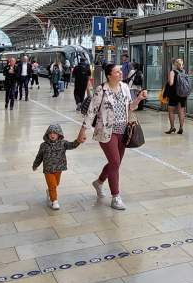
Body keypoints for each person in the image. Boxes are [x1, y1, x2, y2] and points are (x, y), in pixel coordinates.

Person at [78, 63, 145, 210]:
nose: (120, 73)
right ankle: (116, 197)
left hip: (123, 130)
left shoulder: (125, 87)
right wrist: (82, 131)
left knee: (115, 163)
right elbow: (91, 111)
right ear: (109, 75)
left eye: (120, 71)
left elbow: (130, 107)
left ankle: (99, 182)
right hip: (106, 131)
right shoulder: (101, 89)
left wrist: (139, 98)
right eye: (117, 72)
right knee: (115, 161)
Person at [32, 123, 82, 210]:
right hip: (48, 169)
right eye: (50, 133)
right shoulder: (43, 145)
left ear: (59, 134)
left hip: (59, 168)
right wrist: (35, 165)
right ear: (47, 134)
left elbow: (72, 145)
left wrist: (78, 141)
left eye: (55, 133)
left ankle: (49, 191)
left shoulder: (63, 143)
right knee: (52, 185)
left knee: (56, 183)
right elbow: (39, 156)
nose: (52, 135)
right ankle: (54, 201)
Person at [164, 57, 188, 135]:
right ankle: (181, 127)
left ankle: (172, 127)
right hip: (183, 94)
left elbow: (171, 83)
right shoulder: (184, 72)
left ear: (175, 65)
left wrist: (168, 80)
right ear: (182, 65)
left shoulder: (172, 72)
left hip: (173, 94)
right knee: (181, 111)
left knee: (171, 111)